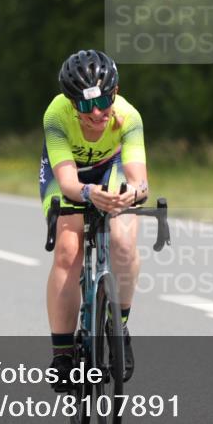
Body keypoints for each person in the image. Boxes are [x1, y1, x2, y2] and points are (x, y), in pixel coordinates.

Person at [40, 50, 149, 391]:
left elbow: (138, 178)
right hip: (70, 173)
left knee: (123, 242)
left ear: (115, 92)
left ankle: (120, 326)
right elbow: (69, 183)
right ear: (72, 104)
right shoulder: (56, 115)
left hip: (111, 169)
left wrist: (132, 194)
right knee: (68, 250)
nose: (97, 113)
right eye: (86, 106)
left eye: (103, 101)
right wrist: (87, 195)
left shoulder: (129, 116)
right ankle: (62, 354)